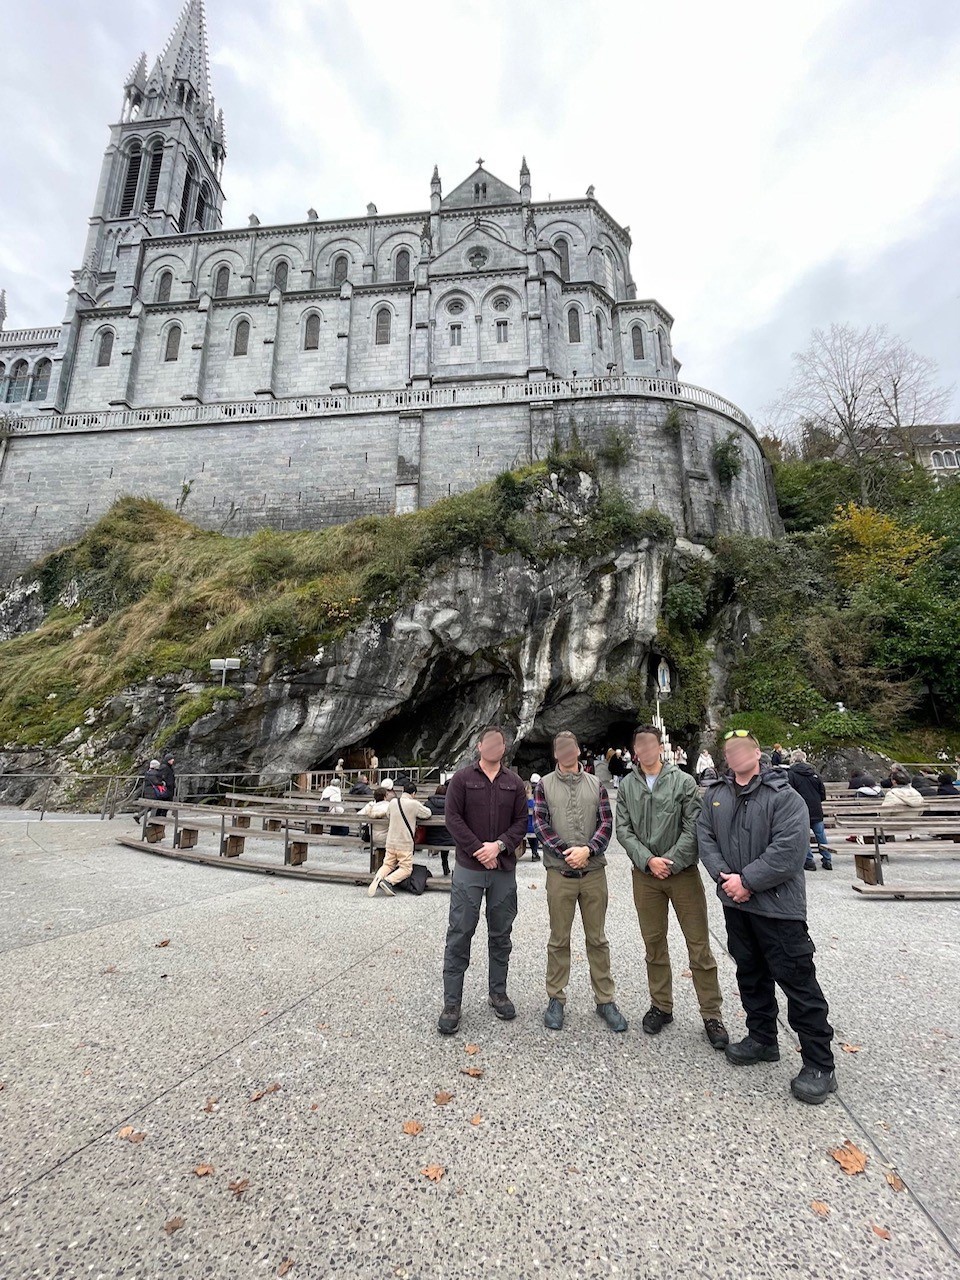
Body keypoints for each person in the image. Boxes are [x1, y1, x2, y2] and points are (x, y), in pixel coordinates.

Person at [697, 729, 837, 1104]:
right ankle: (762, 1038)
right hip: (736, 905)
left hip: (778, 907)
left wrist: (748, 881)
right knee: (750, 973)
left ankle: (819, 1063)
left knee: (797, 980)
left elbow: (790, 851)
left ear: (757, 753)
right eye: (730, 751)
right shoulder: (716, 795)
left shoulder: (785, 796)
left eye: (743, 749)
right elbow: (705, 837)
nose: (736, 755)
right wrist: (725, 878)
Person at [617, 724, 728, 1049]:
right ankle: (661, 1005)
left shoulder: (683, 781)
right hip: (645, 875)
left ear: (660, 747)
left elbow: (694, 824)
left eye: (651, 744)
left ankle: (711, 1014)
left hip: (682, 874)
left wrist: (671, 860)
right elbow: (623, 829)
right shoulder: (627, 786)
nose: (646, 750)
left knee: (699, 945)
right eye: (640, 745)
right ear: (636, 750)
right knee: (653, 944)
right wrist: (647, 860)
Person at [533, 730, 627, 1033]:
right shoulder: (544, 786)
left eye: (570, 746)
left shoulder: (595, 784)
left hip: (593, 872)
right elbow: (540, 824)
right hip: (560, 873)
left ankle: (605, 1000)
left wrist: (587, 849)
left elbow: (606, 822)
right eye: (560, 748)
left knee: (597, 939)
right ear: (555, 753)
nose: (566, 752)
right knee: (559, 939)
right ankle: (556, 998)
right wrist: (566, 852)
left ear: (577, 750)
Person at [438, 726, 528, 1035]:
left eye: (498, 743)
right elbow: (453, 818)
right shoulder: (462, 780)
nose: (492, 747)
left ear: (504, 748)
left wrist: (499, 846)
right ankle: (452, 1003)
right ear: (479, 746)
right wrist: (479, 849)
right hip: (469, 868)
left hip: (502, 868)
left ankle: (498, 993)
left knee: (501, 932)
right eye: (487, 742)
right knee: (460, 932)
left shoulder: (514, 783)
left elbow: (521, 822)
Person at [368, 783, 431, 897]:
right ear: (413, 793)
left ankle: (377, 878)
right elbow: (427, 813)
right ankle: (388, 881)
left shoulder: (393, 802)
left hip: (391, 840)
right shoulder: (414, 804)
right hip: (405, 843)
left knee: (388, 864)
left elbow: (388, 814)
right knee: (406, 868)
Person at [787, 749, 833, 871]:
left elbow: (790, 792)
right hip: (816, 808)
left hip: (800, 809)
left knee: (804, 836)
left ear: (792, 759)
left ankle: (809, 861)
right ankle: (827, 859)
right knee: (821, 835)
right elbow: (822, 793)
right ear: (805, 759)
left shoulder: (791, 774)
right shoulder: (815, 774)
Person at [424, 783, 455, 876]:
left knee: (441, 833)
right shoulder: (452, 804)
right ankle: (446, 865)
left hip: (431, 839)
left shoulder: (428, 804)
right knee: (446, 834)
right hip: (450, 839)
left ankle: (445, 865)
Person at [357, 787, 390, 869]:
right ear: (385, 797)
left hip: (373, 837)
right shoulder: (390, 806)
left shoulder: (370, 806)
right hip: (388, 839)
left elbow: (359, 815)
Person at [525, 777, 542, 863]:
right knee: (534, 832)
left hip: (522, 829)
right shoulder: (532, 803)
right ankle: (534, 852)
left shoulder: (519, 803)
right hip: (532, 829)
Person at [155, 753, 176, 817]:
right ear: (168, 760)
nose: (173, 760)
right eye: (171, 759)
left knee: (165, 805)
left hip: (169, 788)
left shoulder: (168, 767)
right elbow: (161, 777)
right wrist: (166, 783)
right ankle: (160, 818)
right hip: (166, 789)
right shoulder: (164, 767)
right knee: (164, 805)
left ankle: (160, 817)